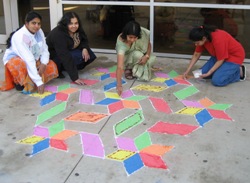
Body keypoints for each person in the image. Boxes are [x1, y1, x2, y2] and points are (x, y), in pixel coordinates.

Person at [0, 11, 58, 94]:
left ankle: (31, 79)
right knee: (21, 64)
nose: (37, 26)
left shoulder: (39, 31)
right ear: (26, 23)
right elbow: (28, 58)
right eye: (33, 23)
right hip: (18, 58)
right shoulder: (20, 36)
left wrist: (43, 63)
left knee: (51, 65)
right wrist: (39, 82)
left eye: (39, 23)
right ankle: (18, 82)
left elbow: (44, 48)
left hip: (33, 57)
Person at [46, 12, 96, 85]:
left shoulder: (78, 29)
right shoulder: (58, 34)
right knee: (72, 57)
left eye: (76, 23)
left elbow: (84, 39)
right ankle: (60, 68)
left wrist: (85, 48)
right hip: (54, 56)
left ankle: (68, 67)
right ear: (65, 23)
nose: (74, 26)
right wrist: (74, 77)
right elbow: (64, 55)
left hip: (68, 50)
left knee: (88, 53)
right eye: (70, 23)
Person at [116, 21, 156, 95]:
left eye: (135, 38)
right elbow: (120, 66)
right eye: (130, 37)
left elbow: (148, 44)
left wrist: (146, 56)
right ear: (125, 34)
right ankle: (129, 67)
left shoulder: (141, 33)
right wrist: (119, 85)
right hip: (127, 58)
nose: (132, 40)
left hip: (139, 52)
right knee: (138, 55)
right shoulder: (121, 45)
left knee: (150, 59)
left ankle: (136, 67)